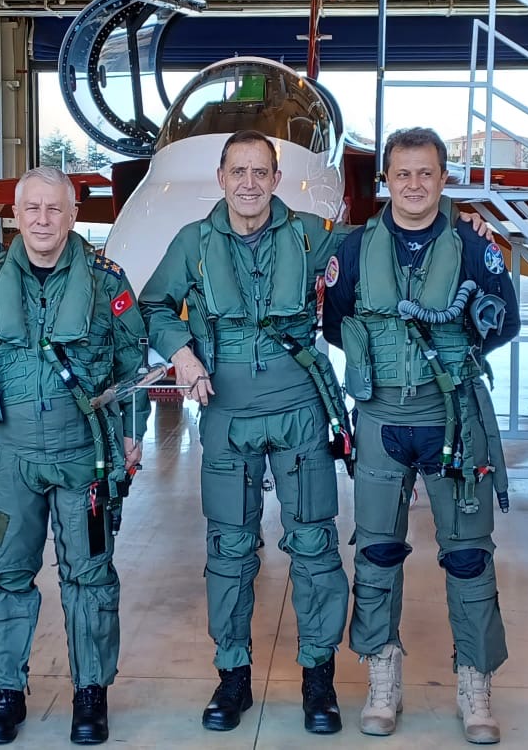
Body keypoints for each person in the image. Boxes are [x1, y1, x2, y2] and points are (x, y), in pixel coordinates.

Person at [139, 130, 354, 734]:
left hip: (298, 409)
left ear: (276, 180)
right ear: (222, 177)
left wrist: (457, 220)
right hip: (227, 412)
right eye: (239, 171)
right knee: (229, 552)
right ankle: (232, 674)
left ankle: (318, 676)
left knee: (313, 546)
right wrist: (181, 351)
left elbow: (380, 246)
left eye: (261, 172)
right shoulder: (194, 242)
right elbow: (154, 305)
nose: (250, 183)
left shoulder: (310, 234)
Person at [321, 126, 521, 744]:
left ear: (443, 177)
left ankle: (475, 681)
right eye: (402, 174)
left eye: (426, 173)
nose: (413, 185)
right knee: (377, 551)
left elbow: (504, 319)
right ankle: (383, 674)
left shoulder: (474, 246)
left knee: (468, 556)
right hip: (381, 418)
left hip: (453, 418)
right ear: (387, 180)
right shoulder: (352, 250)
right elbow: (334, 322)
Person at [0, 166, 151, 746]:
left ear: (73, 214)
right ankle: (4, 691)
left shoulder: (107, 282)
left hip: (85, 456)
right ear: (15, 214)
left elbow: (134, 365)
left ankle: (91, 692)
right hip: (10, 459)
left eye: (54, 209)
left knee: (89, 575)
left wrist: (132, 434)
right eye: (31, 208)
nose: (41, 219)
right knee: (6, 575)